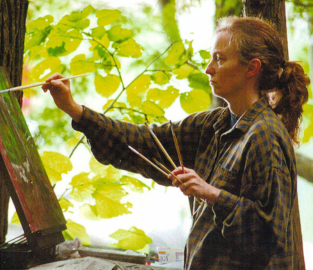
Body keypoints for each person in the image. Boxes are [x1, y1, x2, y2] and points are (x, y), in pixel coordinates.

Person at [42, 16, 309, 269]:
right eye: (210, 58)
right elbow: (144, 142)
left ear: (251, 67)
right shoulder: (212, 125)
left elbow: (265, 238)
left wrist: (211, 193)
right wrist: (75, 110)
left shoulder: (265, 137)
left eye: (219, 59)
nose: (208, 68)